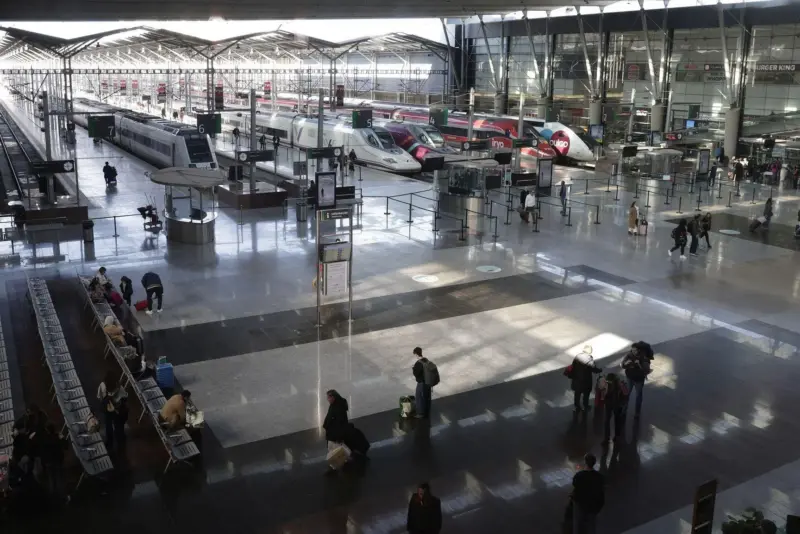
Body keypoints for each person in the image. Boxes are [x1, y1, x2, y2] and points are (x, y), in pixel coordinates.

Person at [571, 453, 605, 534]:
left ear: (585, 462)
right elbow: (601, 492)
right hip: (593, 506)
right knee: (591, 526)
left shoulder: (579, 475)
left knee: (579, 525)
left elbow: (575, 486)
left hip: (581, 505)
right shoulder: (599, 477)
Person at [622, 342, 652, 418]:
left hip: (639, 380)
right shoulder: (629, 355)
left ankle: (637, 412)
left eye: (635, 350)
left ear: (639, 350)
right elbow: (622, 365)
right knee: (626, 394)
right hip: (630, 377)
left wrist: (639, 364)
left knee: (638, 395)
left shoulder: (644, 358)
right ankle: (624, 410)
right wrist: (625, 364)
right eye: (632, 350)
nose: (633, 352)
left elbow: (646, 370)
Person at [567, 347, 601, 413]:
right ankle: (585, 406)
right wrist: (599, 370)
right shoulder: (589, 358)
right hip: (586, 381)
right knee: (586, 394)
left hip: (577, 379)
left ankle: (577, 407)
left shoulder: (577, 356)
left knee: (577, 394)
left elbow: (573, 366)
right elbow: (593, 369)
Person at [322, 389, 349, 473]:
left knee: (332, 450)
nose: (328, 399)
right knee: (336, 449)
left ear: (333, 397)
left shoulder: (338, 408)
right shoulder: (334, 405)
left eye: (329, 397)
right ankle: (343, 462)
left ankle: (333, 467)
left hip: (334, 434)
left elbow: (340, 423)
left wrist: (339, 436)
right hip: (333, 433)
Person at [600, 373, 628, 443]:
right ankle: (613, 437)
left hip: (613, 404)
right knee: (614, 420)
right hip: (613, 404)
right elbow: (602, 392)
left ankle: (609, 437)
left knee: (611, 421)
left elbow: (625, 395)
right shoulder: (608, 385)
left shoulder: (619, 386)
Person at [97, 371, 118, 448]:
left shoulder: (103, 385)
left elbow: (99, 396)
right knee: (116, 422)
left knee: (108, 424)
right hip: (115, 408)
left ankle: (110, 441)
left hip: (106, 408)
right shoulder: (117, 386)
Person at [412, 347, 432, 418]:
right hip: (428, 382)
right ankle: (427, 411)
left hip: (421, 383)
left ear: (416, 354)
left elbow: (416, 373)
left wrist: (413, 368)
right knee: (427, 397)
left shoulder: (418, 363)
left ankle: (420, 413)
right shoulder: (426, 360)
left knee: (419, 397)